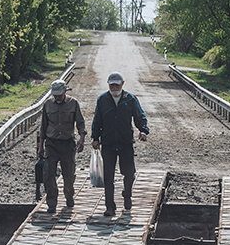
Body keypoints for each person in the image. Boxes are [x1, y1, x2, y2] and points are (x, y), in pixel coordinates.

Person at [91, 72, 149, 216]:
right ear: (108, 84)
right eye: (112, 84)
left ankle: (127, 194)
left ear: (122, 83)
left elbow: (139, 116)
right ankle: (110, 207)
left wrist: (143, 130)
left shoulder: (130, 99)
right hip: (108, 144)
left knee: (129, 174)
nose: (114, 87)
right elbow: (97, 119)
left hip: (125, 143)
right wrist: (95, 137)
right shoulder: (103, 100)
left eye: (117, 84)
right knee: (108, 176)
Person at [36, 79, 86, 214]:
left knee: (68, 174)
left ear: (65, 91)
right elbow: (43, 127)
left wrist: (81, 139)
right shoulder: (48, 105)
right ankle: (51, 203)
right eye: (55, 94)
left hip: (67, 144)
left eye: (59, 94)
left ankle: (69, 195)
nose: (57, 97)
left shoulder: (73, 103)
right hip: (52, 144)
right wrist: (41, 146)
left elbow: (80, 123)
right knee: (48, 174)